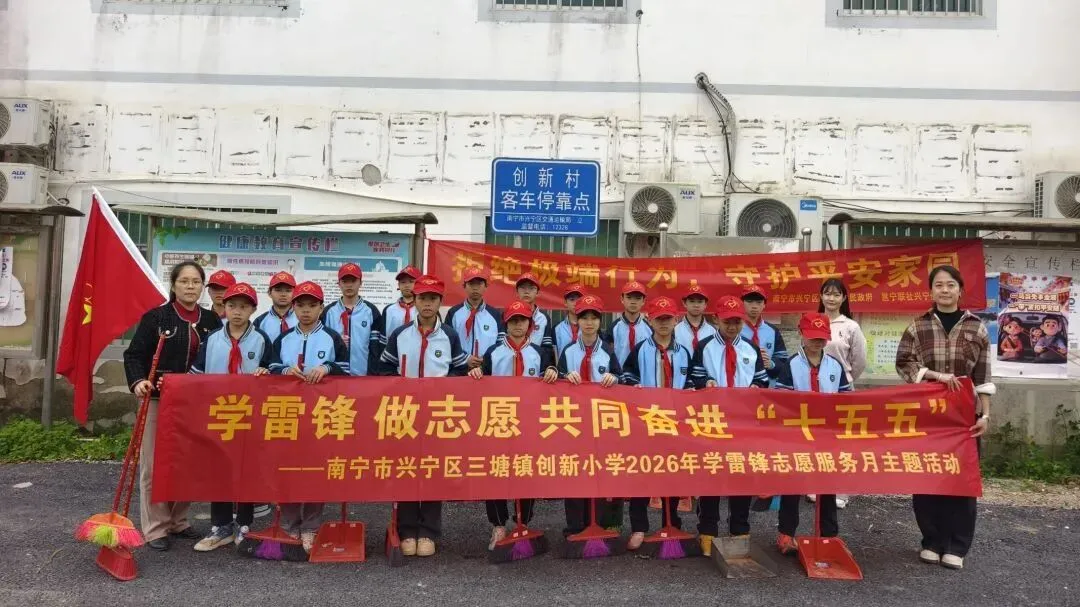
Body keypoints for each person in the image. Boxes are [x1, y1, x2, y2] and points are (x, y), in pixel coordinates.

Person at [895, 265, 993, 571]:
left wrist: (986, 414)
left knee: (961, 480)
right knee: (926, 476)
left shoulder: (977, 328)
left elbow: (983, 376)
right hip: (928, 416)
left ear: (960, 290)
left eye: (951, 285)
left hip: (964, 418)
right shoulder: (918, 326)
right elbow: (904, 363)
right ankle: (932, 541)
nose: (945, 290)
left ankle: (957, 546)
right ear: (931, 291)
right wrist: (936, 376)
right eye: (939, 285)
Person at [123, 260, 222, 551]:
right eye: (184, 281)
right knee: (154, 465)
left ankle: (178, 520)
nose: (190, 287)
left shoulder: (212, 321)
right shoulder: (157, 318)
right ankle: (156, 528)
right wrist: (138, 381)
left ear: (202, 287)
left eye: (196, 282)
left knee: (189, 464)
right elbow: (133, 355)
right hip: (158, 401)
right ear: (174, 285)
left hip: (196, 403)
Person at [379, 275, 468, 557]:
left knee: (431, 470)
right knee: (406, 469)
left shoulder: (450, 335)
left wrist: (439, 388)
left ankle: (428, 531)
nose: (427, 304)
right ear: (414, 300)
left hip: (438, 415)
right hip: (405, 414)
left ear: (440, 302)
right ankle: (406, 530)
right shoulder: (400, 334)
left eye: (432, 299)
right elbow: (384, 370)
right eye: (422, 298)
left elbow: (460, 371)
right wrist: (401, 387)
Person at [469, 300, 559, 549]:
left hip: (530, 422)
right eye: (513, 321)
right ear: (506, 324)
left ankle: (523, 521)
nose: (518, 325)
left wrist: (552, 373)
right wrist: (477, 374)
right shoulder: (493, 352)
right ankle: (498, 525)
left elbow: (552, 379)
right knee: (496, 472)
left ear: (530, 324)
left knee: (526, 469)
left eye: (523, 320)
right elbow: (481, 382)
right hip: (499, 421)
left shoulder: (540, 353)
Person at [190, 282, 272, 552]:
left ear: (253, 310)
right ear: (224, 307)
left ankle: (244, 524)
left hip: (249, 415)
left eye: (244, 307)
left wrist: (266, 372)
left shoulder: (262, 340)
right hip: (218, 414)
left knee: (246, 469)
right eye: (232, 306)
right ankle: (221, 526)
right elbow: (195, 375)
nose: (237, 311)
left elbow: (272, 373)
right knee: (220, 469)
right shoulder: (212, 339)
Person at [268, 281, 350, 551]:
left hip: (321, 414)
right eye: (301, 305)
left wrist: (327, 368)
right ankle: (289, 524)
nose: (306, 311)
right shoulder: (283, 338)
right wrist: (284, 371)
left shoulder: (332, 338)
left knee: (316, 470)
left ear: (321, 307)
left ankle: (311, 526)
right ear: (293, 307)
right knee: (289, 469)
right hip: (289, 414)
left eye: (312, 305)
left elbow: (346, 369)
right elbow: (270, 367)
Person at [689, 295, 769, 555]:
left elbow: (762, 380)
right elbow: (694, 377)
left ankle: (739, 529)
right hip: (713, 422)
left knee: (740, 474)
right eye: (727, 322)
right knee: (712, 475)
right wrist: (706, 383)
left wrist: (756, 386)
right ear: (716, 319)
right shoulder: (704, 347)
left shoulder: (750, 348)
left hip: (743, 423)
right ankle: (707, 530)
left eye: (737, 322)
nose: (732, 327)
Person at [773, 313, 851, 556]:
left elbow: (846, 400)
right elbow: (782, 403)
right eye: (812, 337)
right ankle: (786, 533)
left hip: (826, 435)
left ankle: (829, 535)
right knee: (793, 485)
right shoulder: (791, 365)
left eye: (821, 338)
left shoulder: (834, 365)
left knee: (827, 485)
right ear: (801, 334)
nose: (817, 342)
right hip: (797, 435)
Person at [620, 296, 693, 550]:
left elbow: (692, 380)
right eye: (659, 319)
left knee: (672, 473)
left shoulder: (684, 352)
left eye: (668, 319)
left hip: (675, 424)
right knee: (642, 475)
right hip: (645, 422)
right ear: (650, 320)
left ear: (676, 320)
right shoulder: (640, 350)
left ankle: (671, 523)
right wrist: (634, 386)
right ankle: (639, 527)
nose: (663, 323)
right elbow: (626, 376)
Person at [557, 294, 621, 537]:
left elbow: (621, 377)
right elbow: (555, 381)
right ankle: (575, 526)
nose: (589, 322)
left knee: (600, 471)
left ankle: (601, 523)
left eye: (594, 318)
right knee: (575, 471)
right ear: (578, 320)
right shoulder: (568, 351)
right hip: (574, 421)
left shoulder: (607, 351)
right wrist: (565, 376)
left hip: (601, 420)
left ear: (599, 321)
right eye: (584, 317)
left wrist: (614, 378)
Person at [815, 277, 867, 509]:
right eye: (827, 293)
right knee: (816, 438)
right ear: (821, 296)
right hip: (814, 389)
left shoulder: (850, 326)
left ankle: (841, 491)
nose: (831, 298)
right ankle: (816, 486)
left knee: (842, 442)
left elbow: (859, 361)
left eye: (836, 294)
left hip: (841, 391)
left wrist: (843, 379)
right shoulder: (813, 320)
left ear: (844, 298)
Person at [321, 262, 383, 377]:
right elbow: (321, 344)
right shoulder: (328, 312)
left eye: (353, 281)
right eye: (345, 281)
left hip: (363, 376)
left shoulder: (371, 311)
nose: (349, 285)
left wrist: (373, 374)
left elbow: (376, 348)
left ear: (361, 283)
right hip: (334, 376)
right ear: (339, 284)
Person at [446, 267, 503, 369]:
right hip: (460, 370)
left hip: (487, 370)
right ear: (464, 286)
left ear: (486, 286)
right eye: (471, 284)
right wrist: (465, 358)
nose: (475, 288)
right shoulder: (453, 313)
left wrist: (486, 359)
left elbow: (501, 343)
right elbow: (448, 341)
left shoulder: (495, 315)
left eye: (479, 284)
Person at [740, 284, 787, 386]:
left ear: (764, 305)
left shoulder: (773, 331)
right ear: (741, 303)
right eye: (749, 301)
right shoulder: (734, 330)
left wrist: (771, 364)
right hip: (740, 384)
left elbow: (784, 362)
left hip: (767, 387)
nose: (754, 306)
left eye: (759, 302)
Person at [604, 281, 652, 367]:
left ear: (643, 301)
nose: (633, 302)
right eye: (629, 297)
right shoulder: (613, 328)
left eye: (637, 298)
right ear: (622, 299)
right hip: (619, 373)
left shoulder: (649, 329)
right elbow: (606, 355)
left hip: (642, 374)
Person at [515, 273, 555, 357]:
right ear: (517, 292)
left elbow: (547, 348)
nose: (526, 292)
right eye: (522, 287)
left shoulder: (544, 318)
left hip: (536, 361)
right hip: (512, 361)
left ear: (537, 293)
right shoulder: (508, 315)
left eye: (531, 288)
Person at [254, 271, 298, 344]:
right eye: (278, 290)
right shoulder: (260, 321)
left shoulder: (303, 319)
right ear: (269, 293)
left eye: (288, 291)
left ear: (295, 293)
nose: (283, 294)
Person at [674, 283, 717, 354]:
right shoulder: (675, 329)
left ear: (705, 304)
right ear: (684, 303)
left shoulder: (713, 330)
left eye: (700, 302)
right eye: (692, 301)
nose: (696, 305)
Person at [382, 265, 420, 339]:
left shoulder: (425, 309)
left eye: (411, 281)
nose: (407, 285)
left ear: (419, 284)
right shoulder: (388, 310)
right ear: (398, 285)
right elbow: (383, 339)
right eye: (403, 282)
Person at [553, 285, 585, 359]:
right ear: (565, 303)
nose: (576, 303)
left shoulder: (591, 327)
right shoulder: (556, 329)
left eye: (579, 300)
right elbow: (553, 356)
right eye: (572, 299)